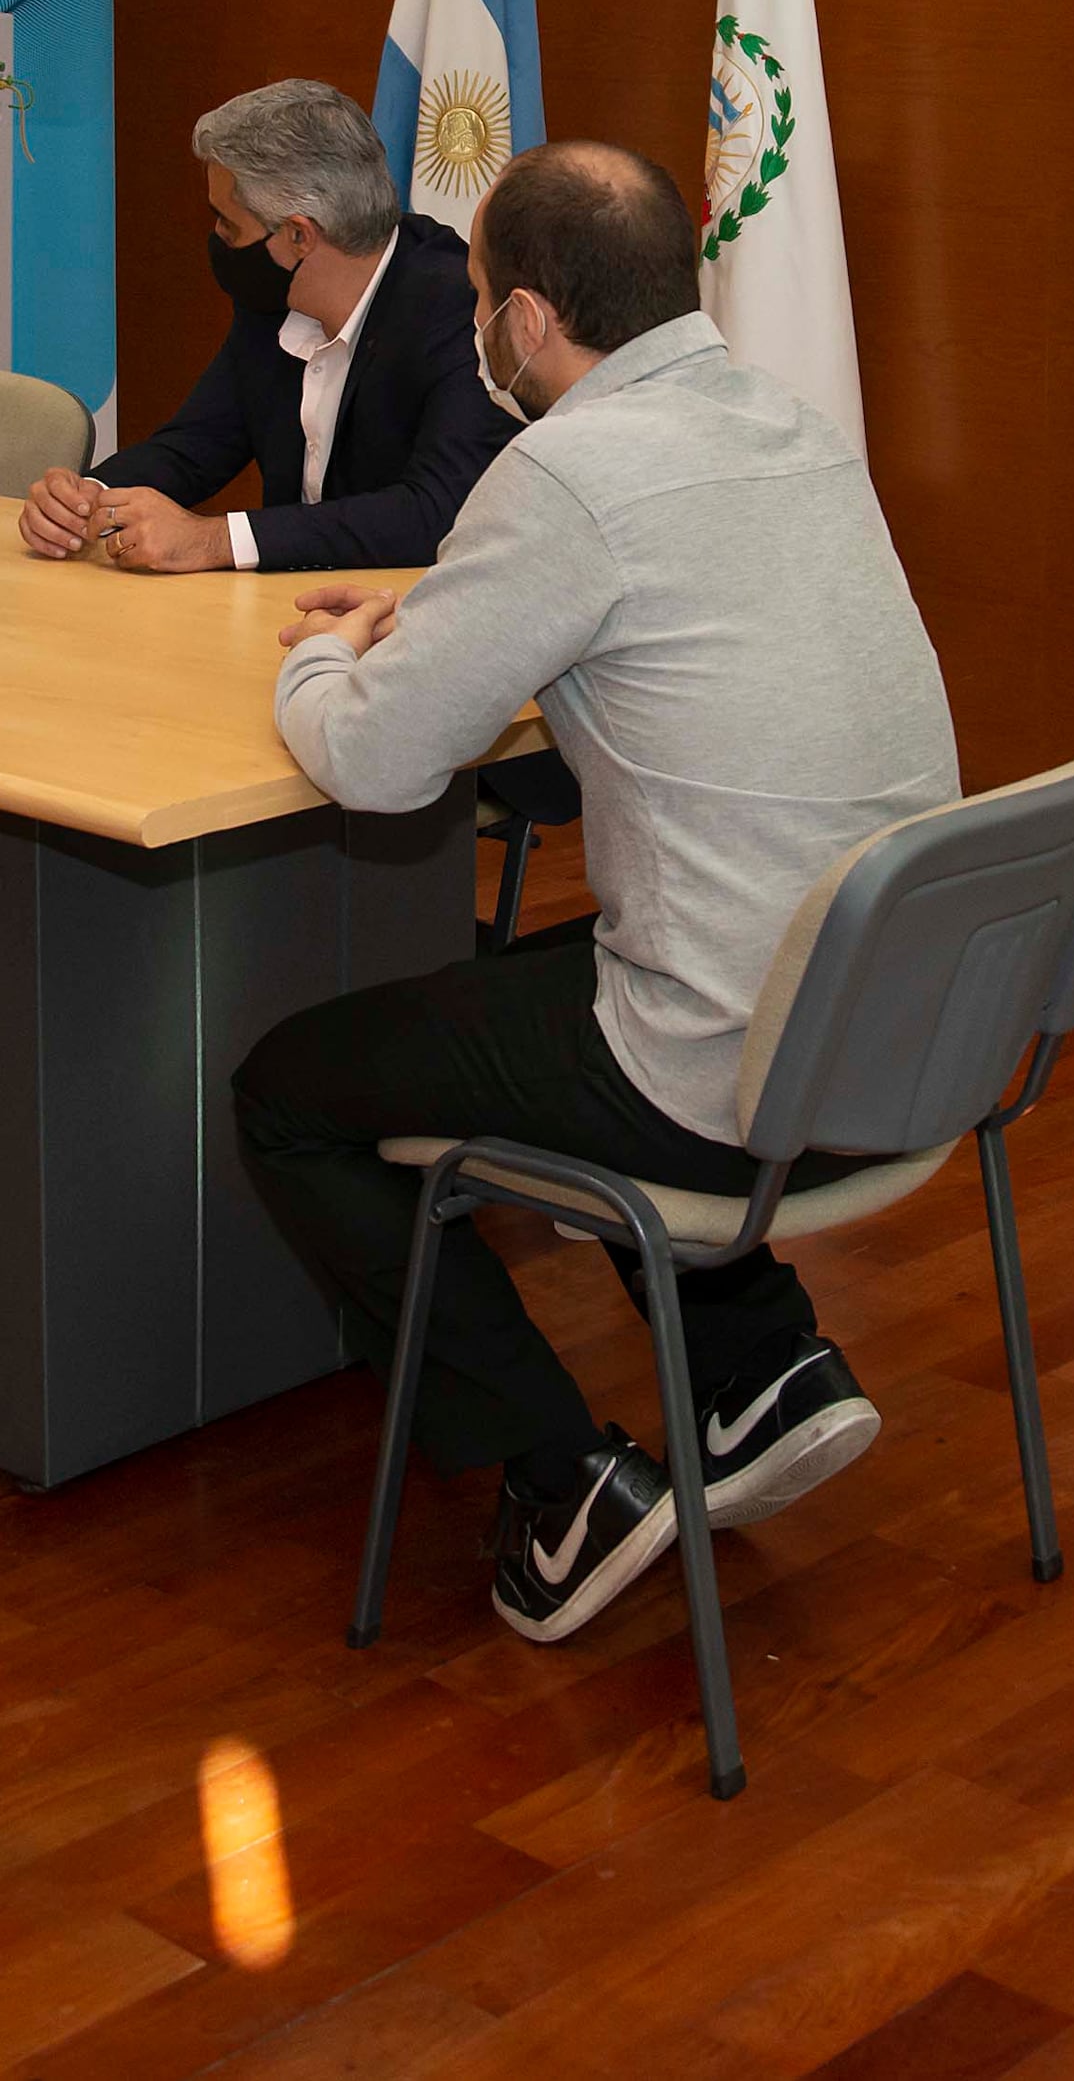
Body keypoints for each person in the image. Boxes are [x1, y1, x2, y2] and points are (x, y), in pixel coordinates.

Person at [230, 140, 962, 1644]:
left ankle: (560, 1480)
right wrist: (437, 610)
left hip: (729, 1070)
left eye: (486, 297)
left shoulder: (560, 466)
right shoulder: (788, 422)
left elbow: (373, 765)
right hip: (898, 1026)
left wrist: (314, 654)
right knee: (631, 952)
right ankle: (759, 1375)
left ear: (527, 323)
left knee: (288, 1088)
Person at [17, 77, 513, 572]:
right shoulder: (273, 299)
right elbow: (196, 445)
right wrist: (88, 500)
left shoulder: (460, 313)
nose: (217, 238)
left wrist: (212, 540)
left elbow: (434, 513)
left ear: (299, 235)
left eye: (229, 224)